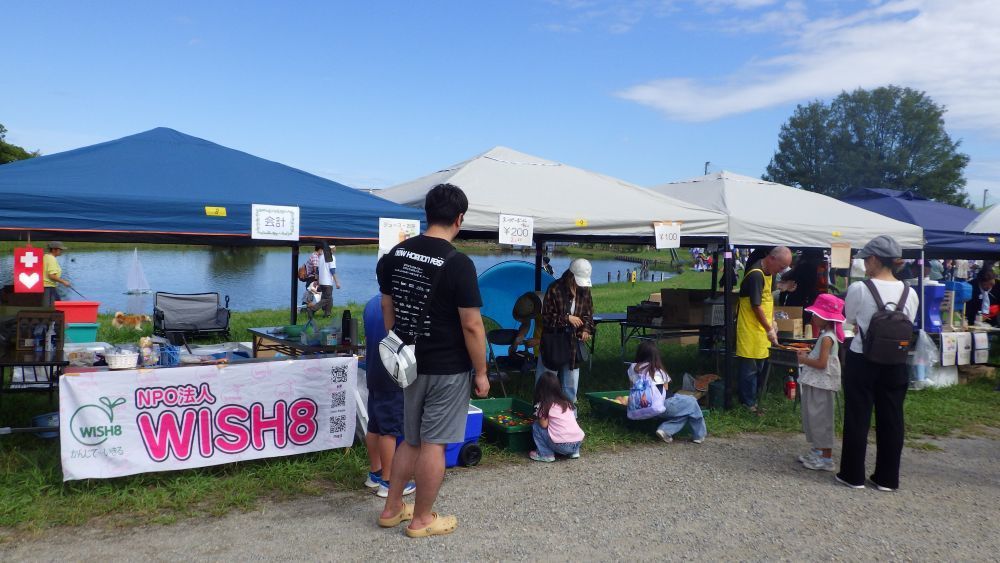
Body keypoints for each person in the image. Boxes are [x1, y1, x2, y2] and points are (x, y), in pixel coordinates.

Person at [375, 183, 489, 538]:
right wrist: (482, 372)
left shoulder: (395, 255)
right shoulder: (459, 264)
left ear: (426, 214)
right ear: (459, 219)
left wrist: (400, 344)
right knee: (434, 444)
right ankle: (422, 519)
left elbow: (387, 306)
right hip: (447, 368)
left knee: (410, 439)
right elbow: (471, 325)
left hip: (409, 364)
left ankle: (392, 508)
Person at [837, 235, 919, 491]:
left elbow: (849, 319)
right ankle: (887, 478)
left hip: (863, 357)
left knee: (858, 415)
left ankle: (852, 475)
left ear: (874, 259)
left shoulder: (860, 289)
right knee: (892, 417)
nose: (864, 265)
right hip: (896, 361)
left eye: (866, 260)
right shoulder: (910, 292)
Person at [362, 295, 416, 498]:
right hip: (392, 374)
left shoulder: (370, 304)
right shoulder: (401, 304)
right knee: (389, 431)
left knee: (374, 425)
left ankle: (375, 473)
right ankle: (389, 481)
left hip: (373, 371)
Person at [735, 246, 792, 414]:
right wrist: (769, 328)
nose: (781, 271)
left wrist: (772, 320)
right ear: (772, 259)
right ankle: (748, 403)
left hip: (762, 329)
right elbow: (756, 306)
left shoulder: (770, 273)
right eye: (781, 267)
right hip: (750, 329)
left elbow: (768, 299)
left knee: (760, 367)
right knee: (750, 369)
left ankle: (756, 400)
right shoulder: (755, 274)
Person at [795, 294, 845, 472]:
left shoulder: (827, 338)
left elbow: (822, 364)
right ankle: (817, 450)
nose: (813, 317)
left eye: (816, 315)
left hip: (821, 384)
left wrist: (804, 359)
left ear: (826, 318)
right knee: (814, 417)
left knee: (822, 419)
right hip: (816, 383)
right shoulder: (825, 335)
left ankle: (826, 458)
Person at [537, 259, 594, 404]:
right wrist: (567, 318)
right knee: (547, 382)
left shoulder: (585, 290)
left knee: (570, 386)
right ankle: (542, 411)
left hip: (573, 344)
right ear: (571, 276)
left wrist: (586, 329)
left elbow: (588, 315)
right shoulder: (554, 288)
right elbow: (546, 318)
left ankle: (569, 413)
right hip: (553, 342)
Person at [628, 340, 706, 444]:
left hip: (642, 407)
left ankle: (665, 431)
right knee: (692, 402)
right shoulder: (657, 371)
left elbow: (631, 387)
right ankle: (699, 435)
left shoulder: (632, 369)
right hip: (661, 406)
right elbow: (665, 389)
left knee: (685, 412)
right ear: (656, 356)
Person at [528, 372, 585, 462]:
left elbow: (543, 425)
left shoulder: (544, 405)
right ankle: (574, 453)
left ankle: (545, 454)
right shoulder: (566, 402)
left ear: (540, 388)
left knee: (536, 425)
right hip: (578, 442)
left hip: (562, 446)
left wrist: (537, 416)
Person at [42, 241, 72, 307]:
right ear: (53, 250)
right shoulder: (51, 259)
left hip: (45, 287)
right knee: (55, 307)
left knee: (55, 306)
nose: (61, 251)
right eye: (60, 249)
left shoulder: (45, 257)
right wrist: (64, 282)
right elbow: (51, 275)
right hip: (48, 287)